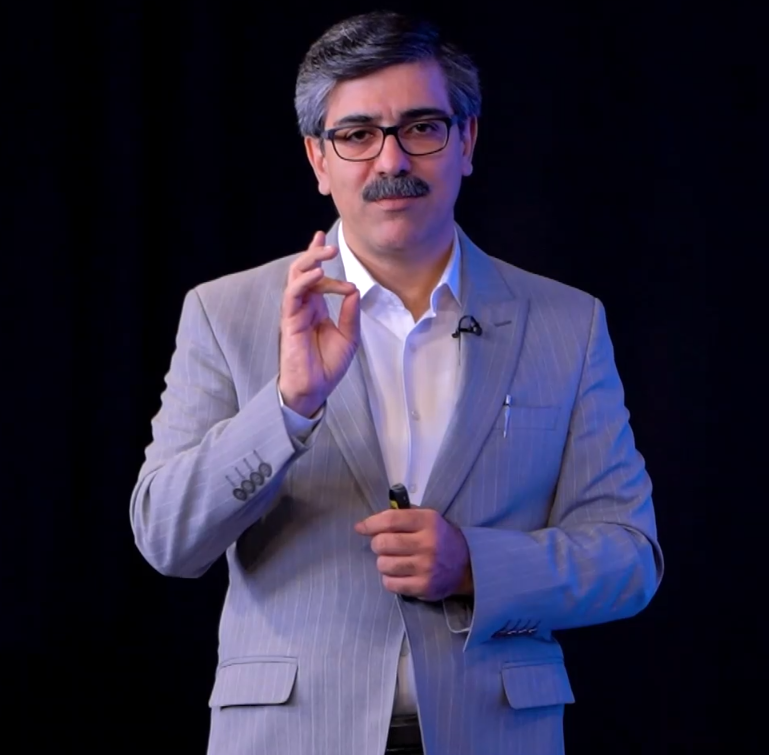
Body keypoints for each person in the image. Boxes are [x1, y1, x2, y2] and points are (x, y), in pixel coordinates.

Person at [130, 11, 663, 755]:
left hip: (493, 733)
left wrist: (473, 564)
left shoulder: (567, 323)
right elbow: (166, 538)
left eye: (421, 127)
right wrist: (288, 407)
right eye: (357, 134)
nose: (391, 159)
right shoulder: (224, 312)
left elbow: (629, 558)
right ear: (318, 158)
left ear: (466, 141)